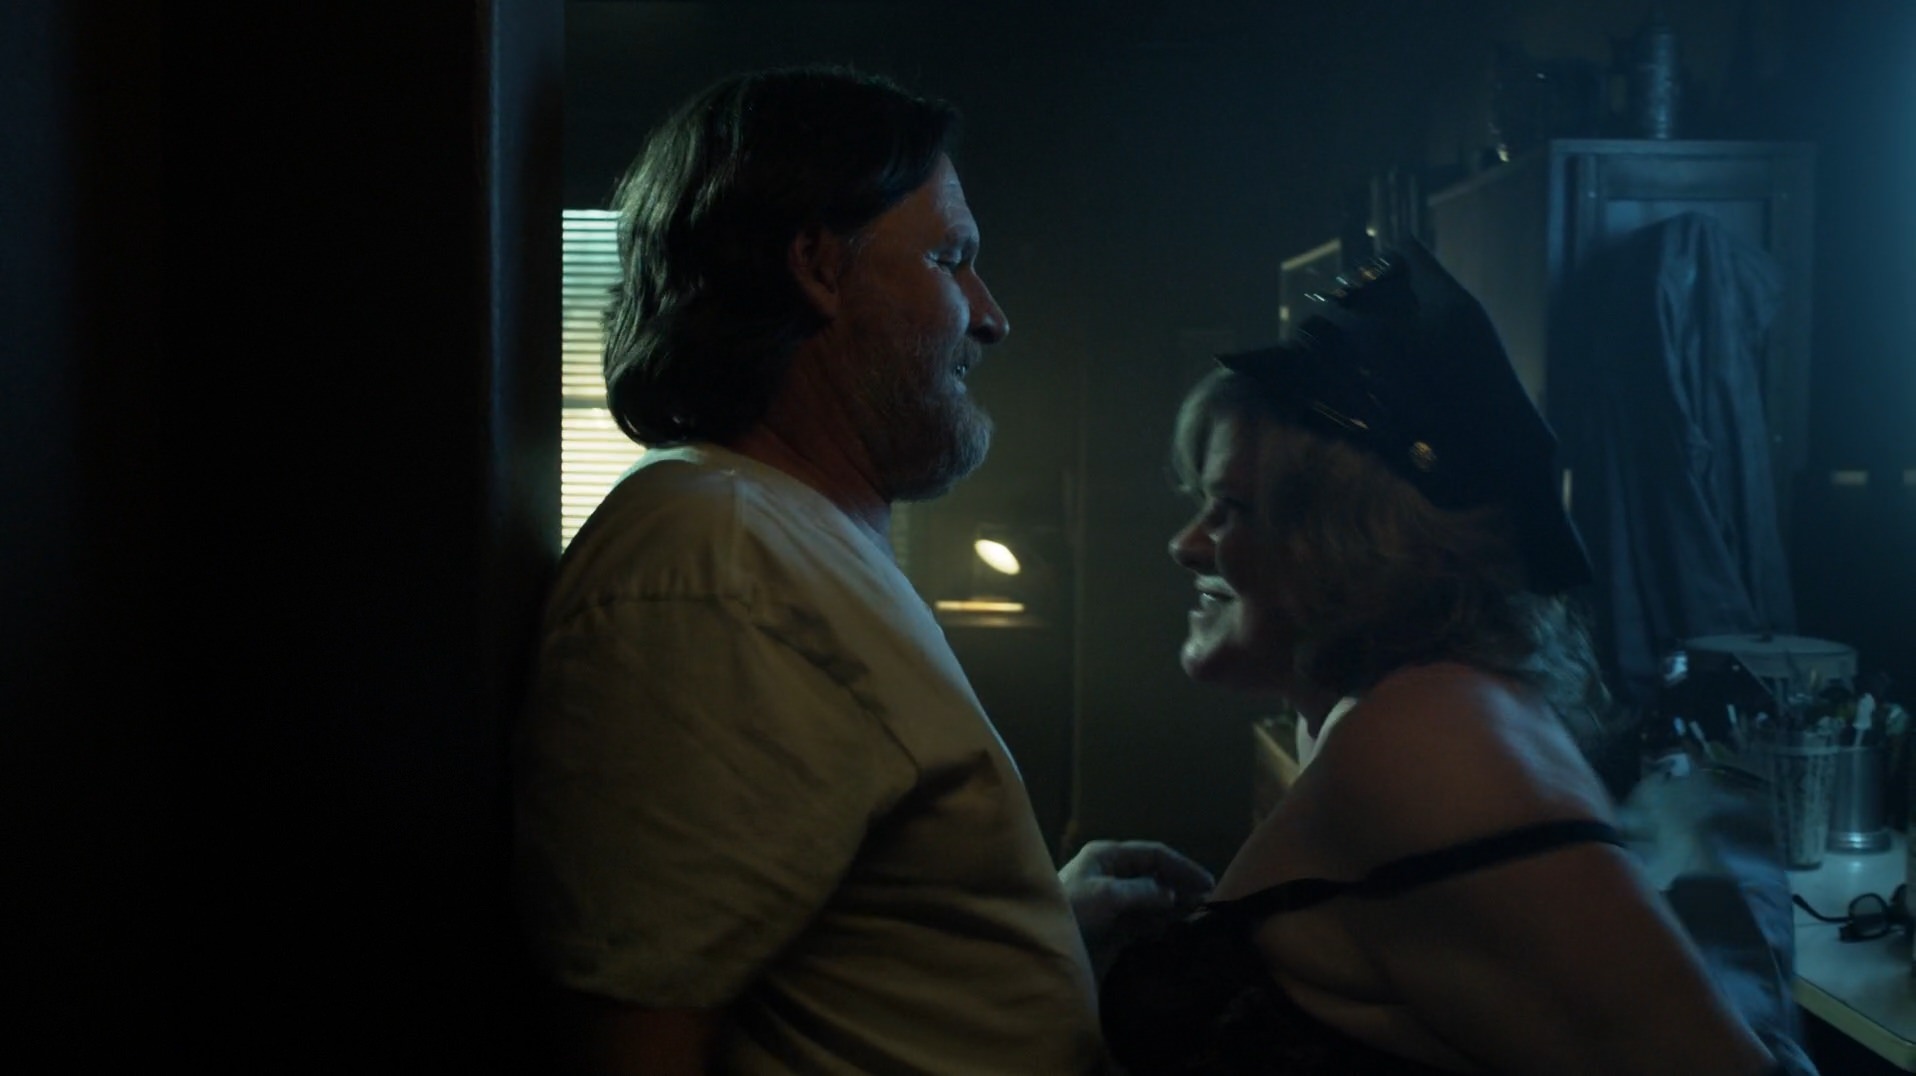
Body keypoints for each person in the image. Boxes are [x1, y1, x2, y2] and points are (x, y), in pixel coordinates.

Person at [511, 64, 1212, 1075]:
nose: (990, 315)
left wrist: (1031, 926)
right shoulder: (716, 565)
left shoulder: (787, 537)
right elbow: (637, 1040)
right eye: (950, 258)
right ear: (817, 266)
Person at [1099, 241, 1787, 1074]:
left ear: (1346, 543)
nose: (1185, 545)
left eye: (1229, 509)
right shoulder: (1388, 719)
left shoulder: (1429, 742)